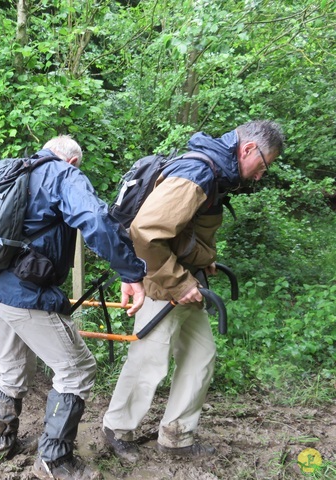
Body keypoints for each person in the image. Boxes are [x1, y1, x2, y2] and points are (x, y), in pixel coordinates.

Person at [101, 120, 284, 462]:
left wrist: (203, 261)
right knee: (149, 361)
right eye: (263, 166)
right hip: (164, 284)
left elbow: (186, 230)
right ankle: (117, 429)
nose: (260, 175)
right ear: (247, 149)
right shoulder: (198, 172)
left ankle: (177, 436)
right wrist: (180, 282)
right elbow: (147, 233)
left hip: (187, 281)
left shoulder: (217, 174)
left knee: (201, 356)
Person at [0, 135, 147, 480]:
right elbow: (95, 221)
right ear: (72, 162)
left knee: (11, 369)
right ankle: (54, 462)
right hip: (23, 291)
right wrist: (131, 272)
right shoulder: (62, 175)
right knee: (77, 370)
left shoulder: (4, 169)